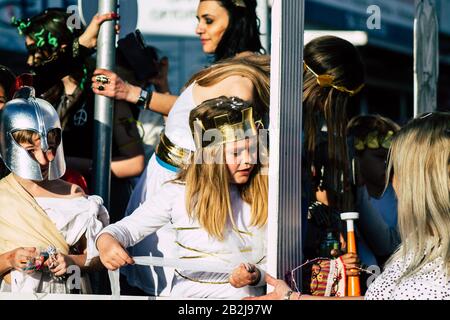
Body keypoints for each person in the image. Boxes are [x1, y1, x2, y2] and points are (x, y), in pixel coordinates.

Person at [93, 54, 270, 296]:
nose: (249, 160)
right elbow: (122, 230)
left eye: (252, 151)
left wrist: (257, 274)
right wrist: (106, 242)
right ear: (211, 156)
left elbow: (281, 262)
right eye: (237, 153)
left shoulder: (262, 195)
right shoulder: (177, 193)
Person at [248, 111, 450, 300]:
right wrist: (293, 297)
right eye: (382, 159)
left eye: (396, 166)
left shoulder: (433, 261)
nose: (390, 173)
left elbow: (385, 244)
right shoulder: (425, 243)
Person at [16, 8, 145, 222]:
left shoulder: (103, 88)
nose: (30, 61)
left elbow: (135, 163)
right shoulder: (40, 95)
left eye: (35, 50)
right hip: (55, 208)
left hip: (101, 206)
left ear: (61, 48)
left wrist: (73, 163)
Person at [0, 87, 109, 294]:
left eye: (50, 148)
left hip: (67, 292)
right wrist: (10, 259)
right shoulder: (2, 195)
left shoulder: (73, 194)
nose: (44, 159)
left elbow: (97, 258)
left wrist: (70, 260)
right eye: (31, 151)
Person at [347, 115, 401, 270]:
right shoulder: (348, 198)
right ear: (356, 156)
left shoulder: (399, 195)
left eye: (392, 158)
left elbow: (387, 246)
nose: (388, 164)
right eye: (381, 157)